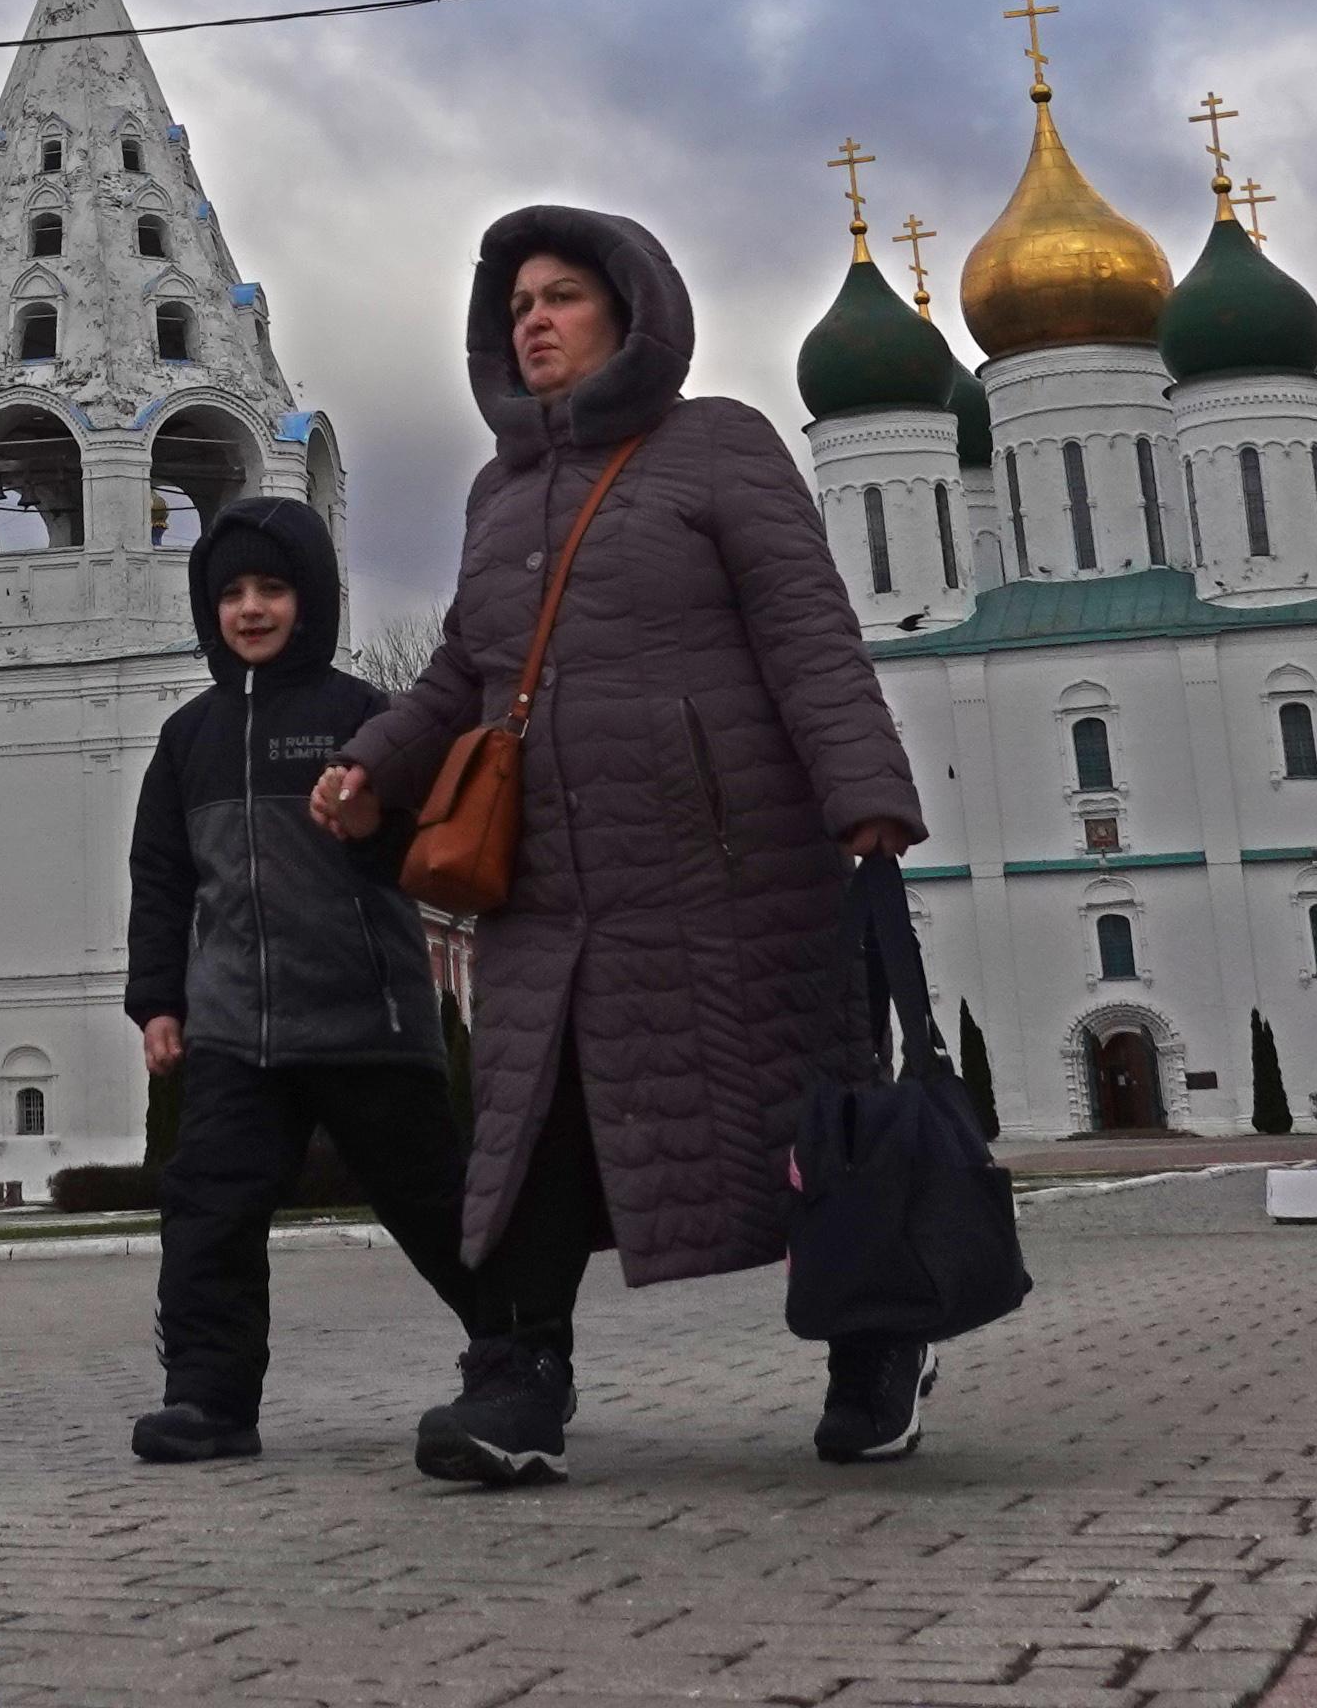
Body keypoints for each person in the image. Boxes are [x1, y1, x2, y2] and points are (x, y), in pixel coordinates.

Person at [316, 207, 930, 1482]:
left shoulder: (719, 447)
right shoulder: (498, 495)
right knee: (530, 1132)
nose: (531, 320)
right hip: (545, 887)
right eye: (516, 306)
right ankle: (519, 1382)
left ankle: (877, 1341)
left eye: (562, 297)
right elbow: (464, 672)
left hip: (732, 873)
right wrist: (374, 762)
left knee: (802, 1118)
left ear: (632, 311)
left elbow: (809, 634)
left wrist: (865, 801)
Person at [118, 488, 483, 1463]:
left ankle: (521, 1354)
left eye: (272, 588)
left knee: (438, 1208)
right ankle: (209, 1399)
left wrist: (372, 824)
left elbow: (419, 852)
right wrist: (158, 999)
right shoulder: (186, 740)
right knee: (209, 1209)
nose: (250, 609)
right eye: (230, 591)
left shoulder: (363, 717)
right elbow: (161, 878)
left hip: (366, 1017)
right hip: (238, 1029)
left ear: (310, 597)